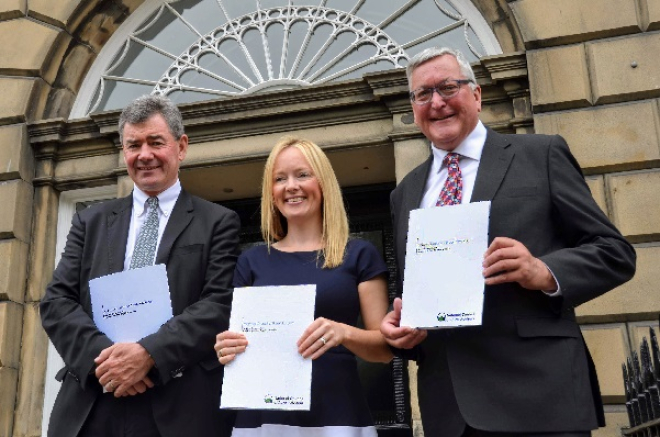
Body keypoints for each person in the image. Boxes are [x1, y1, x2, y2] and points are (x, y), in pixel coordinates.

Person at [381, 47, 636, 437]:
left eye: (448, 87)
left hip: (537, 395)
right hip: (450, 409)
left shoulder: (540, 154)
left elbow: (615, 252)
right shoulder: (405, 192)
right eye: (422, 94)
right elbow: (414, 293)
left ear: (477, 94)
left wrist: (543, 271)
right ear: (413, 107)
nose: (436, 102)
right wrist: (403, 328)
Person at [41, 95, 240, 437]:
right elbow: (57, 302)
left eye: (155, 142)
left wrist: (148, 354)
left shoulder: (218, 222)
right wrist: (109, 362)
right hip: (94, 402)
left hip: (178, 406)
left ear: (181, 147)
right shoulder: (90, 222)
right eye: (133, 145)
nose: (144, 155)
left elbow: (218, 305)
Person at [214, 136, 393, 436]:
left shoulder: (359, 254)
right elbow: (235, 344)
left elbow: (385, 350)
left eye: (302, 174)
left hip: (337, 415)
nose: (291, 186)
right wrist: (225, 348)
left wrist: (344, 333)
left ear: (323, 183)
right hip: (263, 418)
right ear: (270, 192)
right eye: (280, 179)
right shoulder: (251, 261)